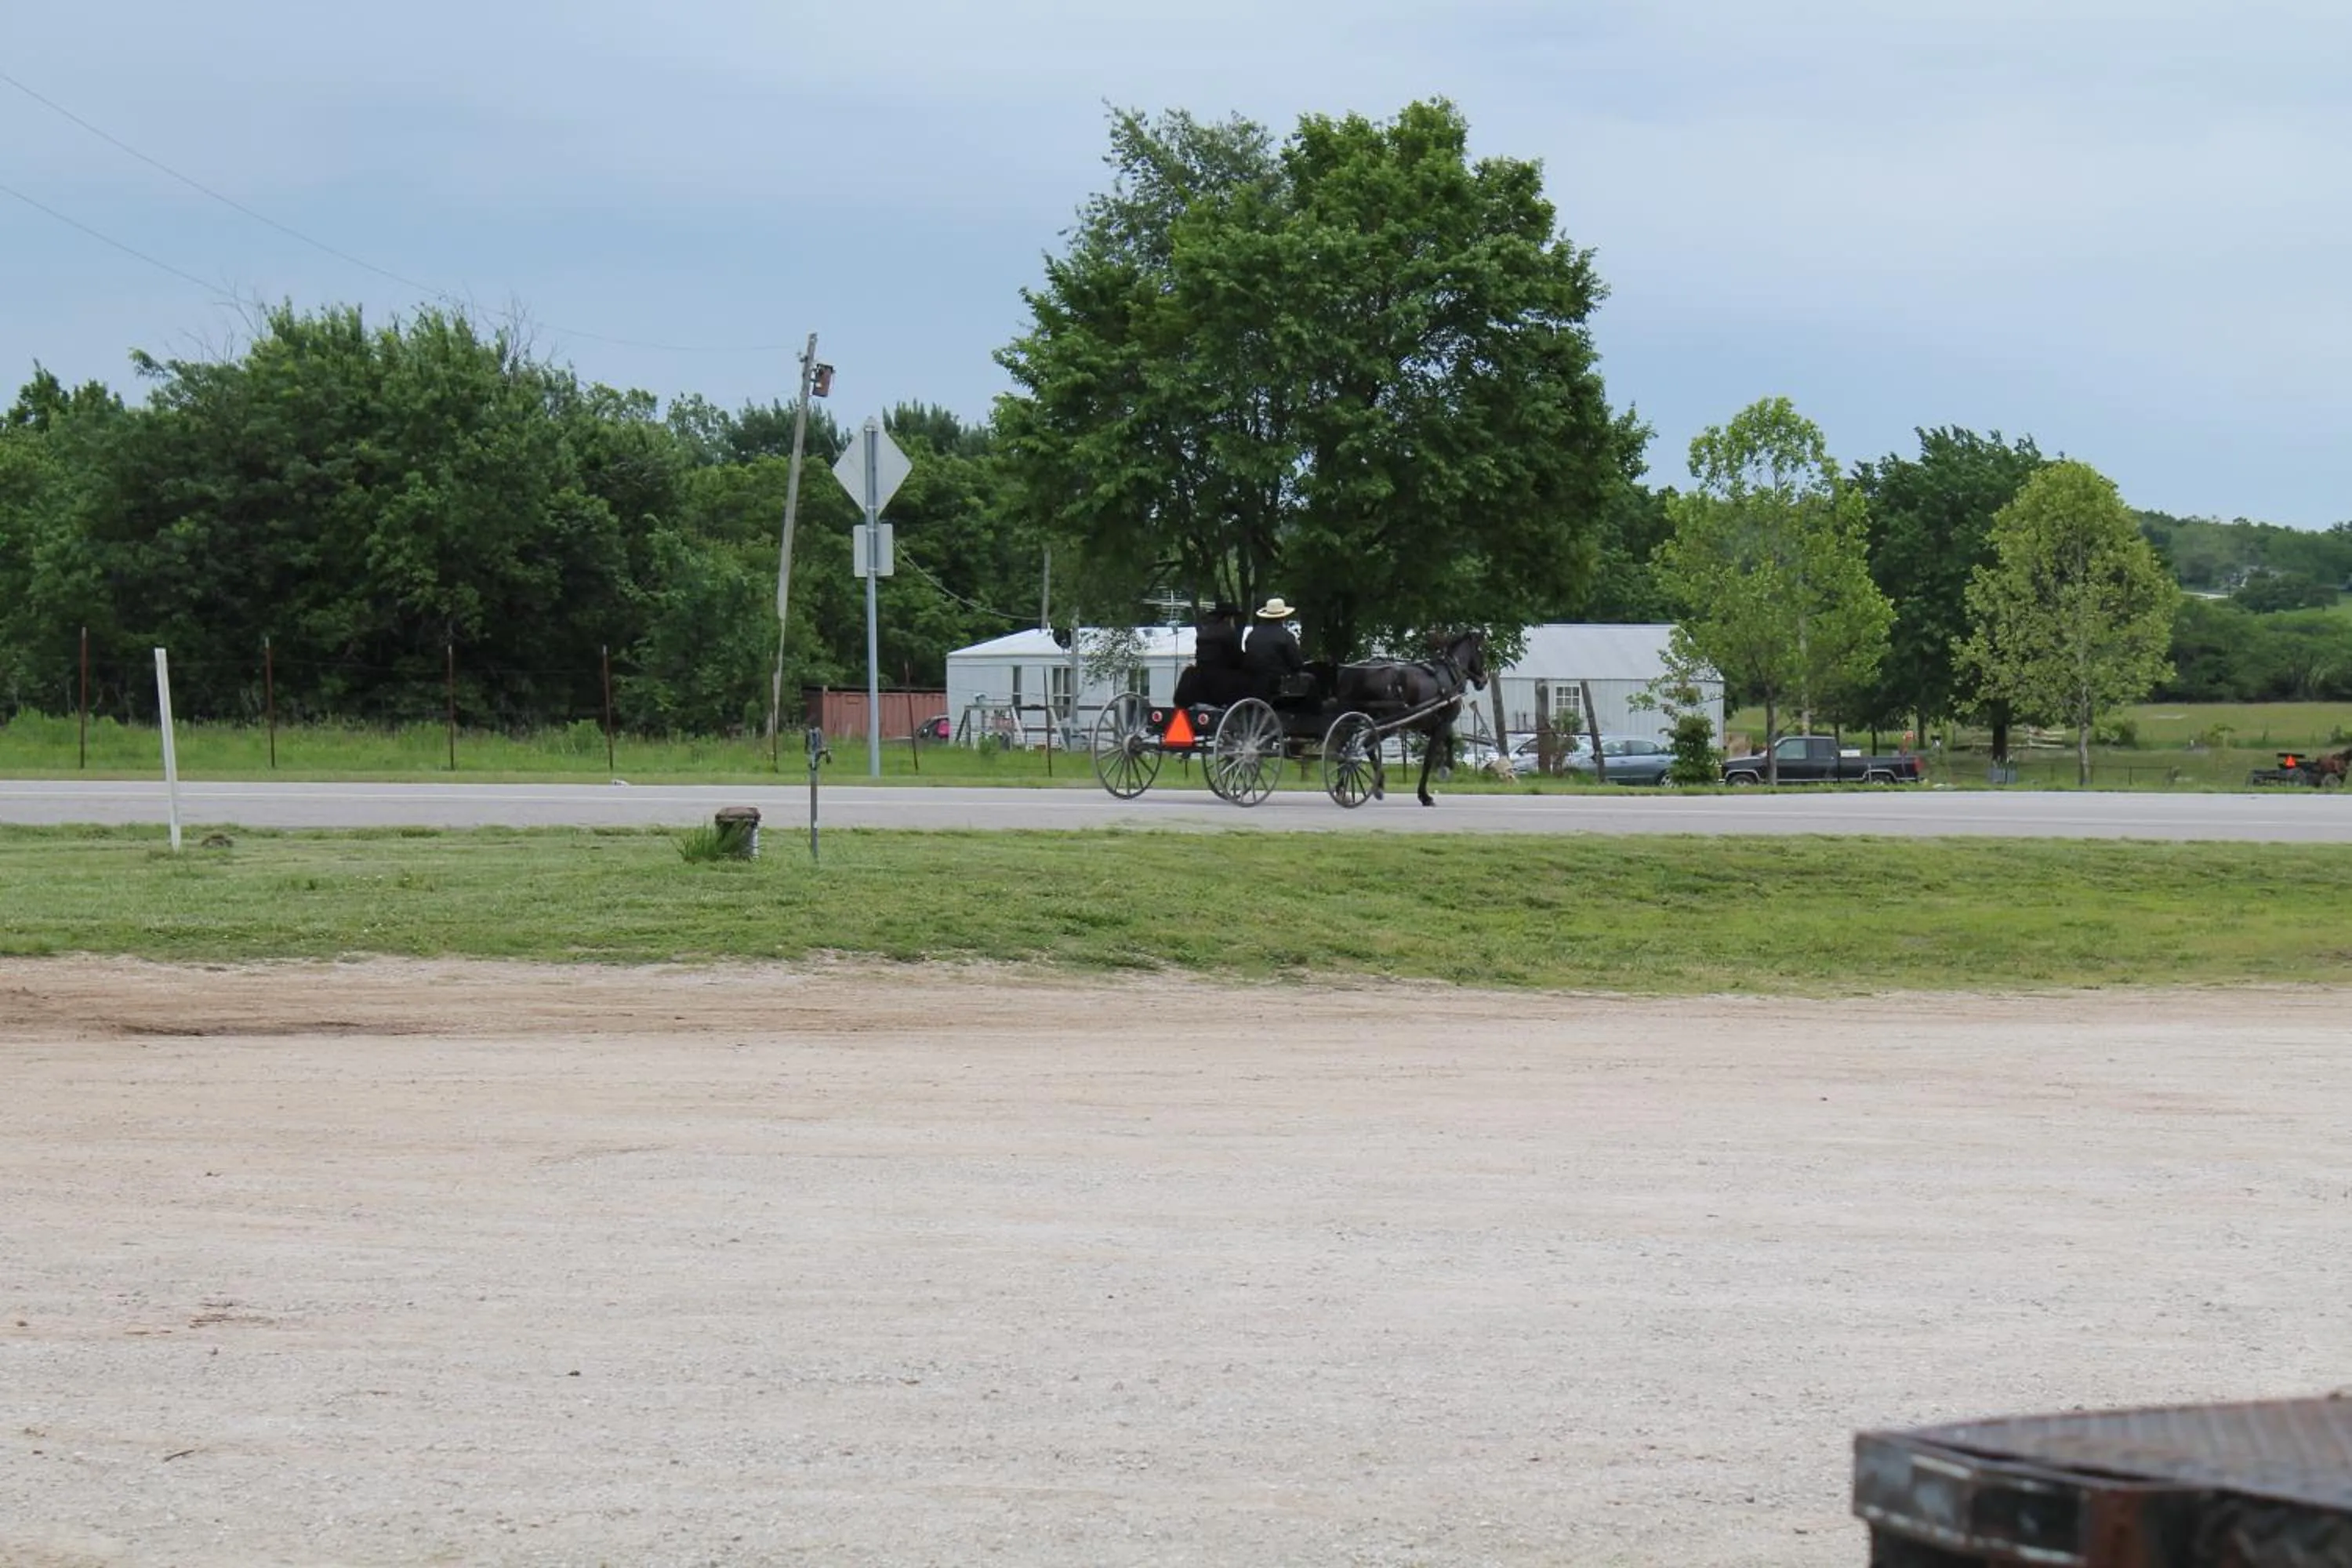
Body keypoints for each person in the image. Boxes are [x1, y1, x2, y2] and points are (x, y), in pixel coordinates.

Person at [1173, 601, 1252, 707]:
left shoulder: (1204, 633)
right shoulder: (1228, 633)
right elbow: (1236, 659)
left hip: (1202, 676)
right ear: (1228, 618)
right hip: (1221, 680)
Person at [1244, 597, 1305, 700]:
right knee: (1310, 680)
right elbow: (1297, 665)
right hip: (1278, 685)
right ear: (1283, 617)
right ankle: (1317, 712)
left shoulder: (1252, 635)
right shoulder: (1286, 636)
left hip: (1253, 682)